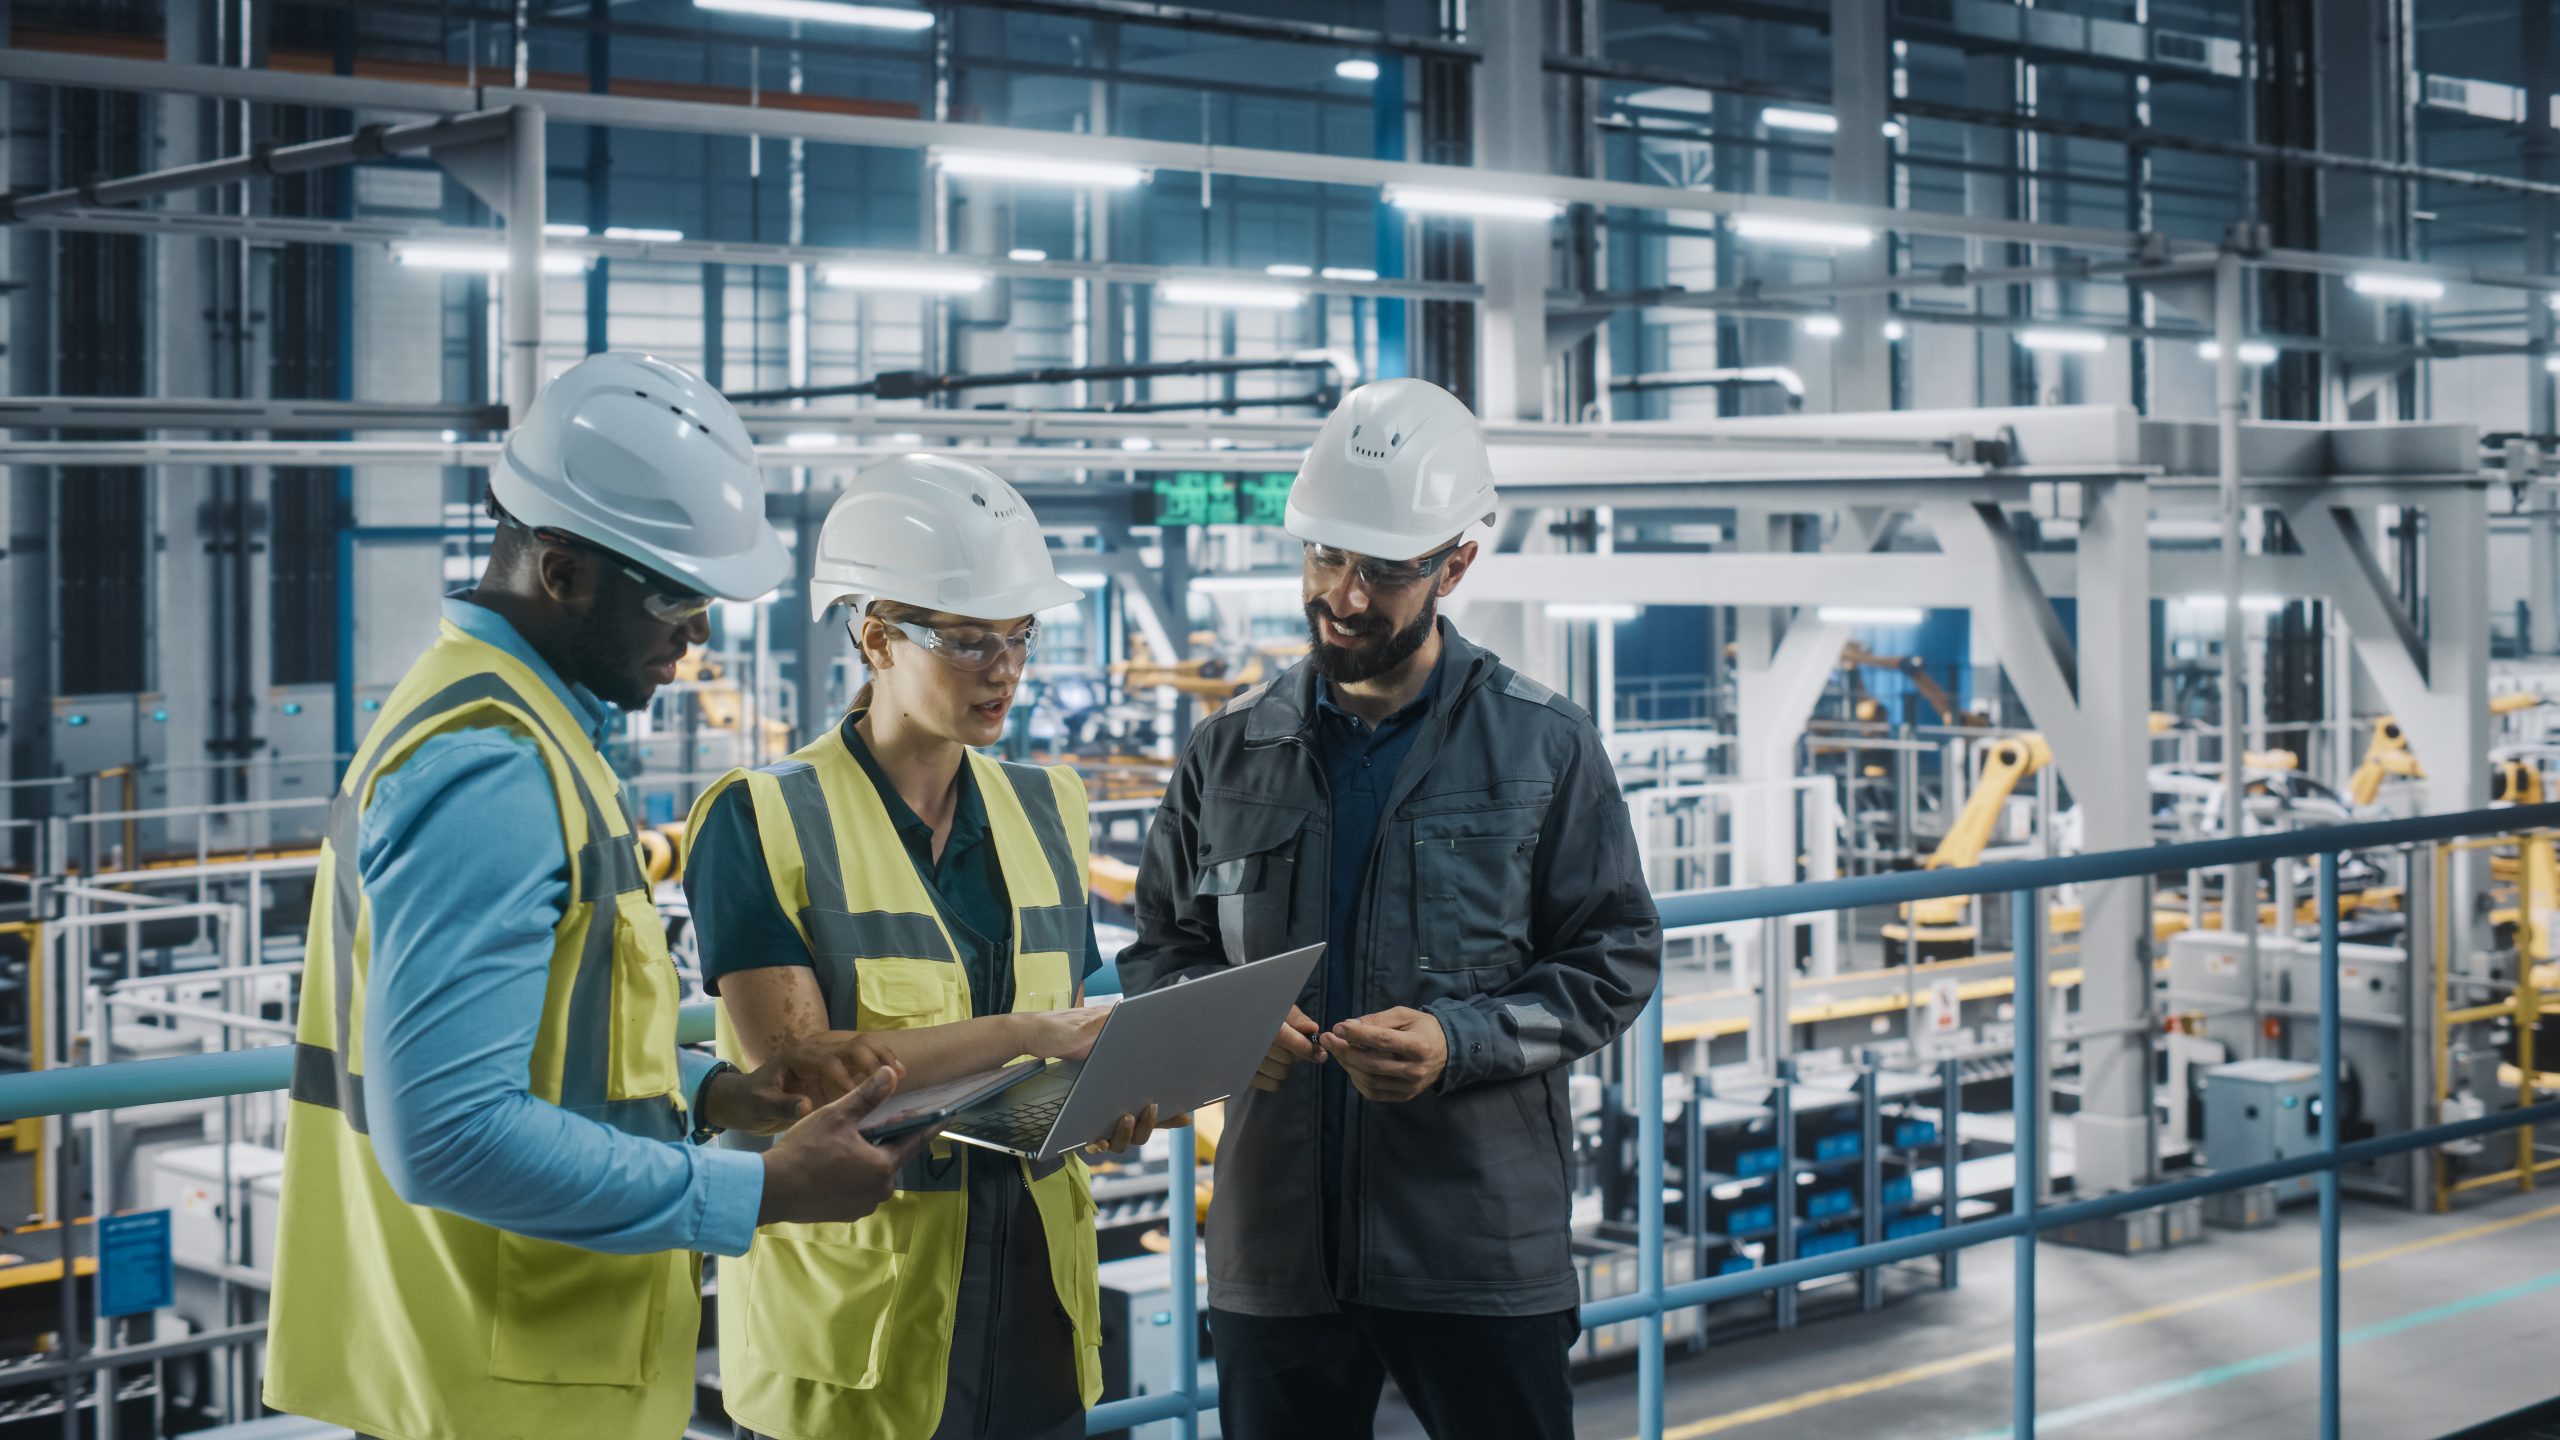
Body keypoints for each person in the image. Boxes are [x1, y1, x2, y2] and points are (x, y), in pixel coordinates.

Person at [264, 353, 930, 1440]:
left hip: (515, 1366)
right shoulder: (496, 765)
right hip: (506, 1380)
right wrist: (759, 1192)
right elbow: (447, 1137)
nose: (698, 635)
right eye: (676, 598)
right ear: (562, 571)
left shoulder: (515, 726)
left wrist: (719, 1094)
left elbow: (552, 1046)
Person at [1119, 378, 1663, 1440]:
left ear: (1455, 564)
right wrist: (1219, 1027)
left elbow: (1613, 958)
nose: (1346, 595)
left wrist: (1457, 1041)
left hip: (1473, 1244)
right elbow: (1158, 951)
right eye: (1325, 557)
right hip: (1277, 1251)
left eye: (1384, 569)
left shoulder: (1542, 746)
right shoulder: (1229, 751)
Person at [684, 453, 1169, 1440]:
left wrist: (1102, 1096)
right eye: (966, 639)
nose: (1004, 668)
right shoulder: (762, 820)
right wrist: (1030, 1029)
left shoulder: (1050, 807)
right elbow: (799, 1079)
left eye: (1019, 637)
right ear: (875, 638)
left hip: (1035, 1313)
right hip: (861, 1339)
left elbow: (1066, 1031)